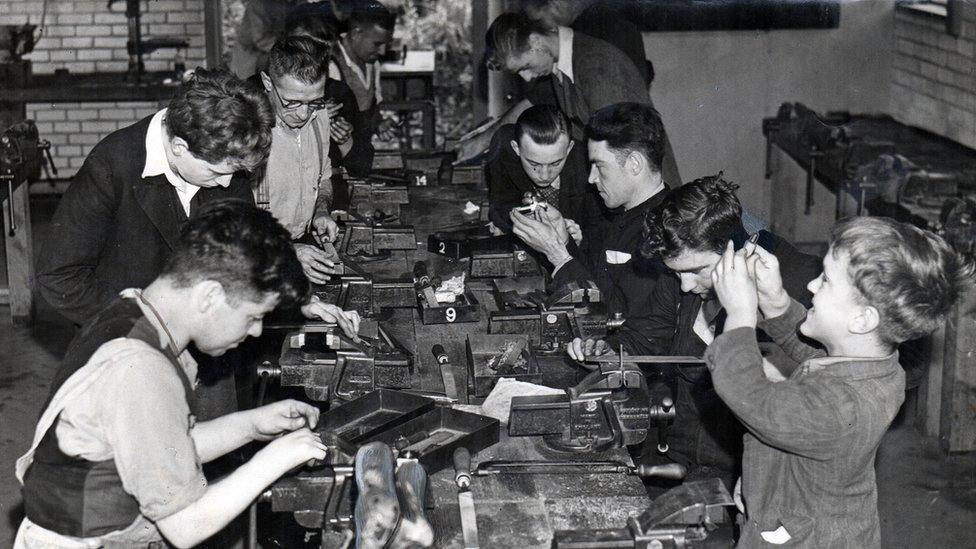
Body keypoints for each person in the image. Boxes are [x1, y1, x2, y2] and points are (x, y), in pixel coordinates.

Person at [36, 68, 359, 419]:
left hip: (209, 343)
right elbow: (59, 277)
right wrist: (150, 325)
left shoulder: (222, 157)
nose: (226, 185)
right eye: (218, 172)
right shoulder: (113, 165)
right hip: (128, 348)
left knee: (213, 454)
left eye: (235, 173)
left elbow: (245, 248)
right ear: (179, 147)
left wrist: (298, 299)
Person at [14, 200, 332, 548]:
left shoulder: (134, 312)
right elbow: (186, 526)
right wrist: (273, 460)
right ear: (210, 296)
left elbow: (163, 450)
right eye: (253, 316)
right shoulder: (141, 369)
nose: (256, 332)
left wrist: (251, 426)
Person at [707, 216, 971, 547]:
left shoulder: (845, 405)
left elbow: (754, 400)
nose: (812, 286)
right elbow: (819, 357)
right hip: (797, 509)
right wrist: (775, 301)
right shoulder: (873, 365)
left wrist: (740, 313)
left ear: (862, 319)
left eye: (826, 280)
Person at [567, 175, 821, 485]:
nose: (685, 285)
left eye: (695, 271)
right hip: (674, 451)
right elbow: (645, 335)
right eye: (677, 273)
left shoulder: (801, 287)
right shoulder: (684, 269)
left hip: (746, 468)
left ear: (740, 249)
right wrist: (608, 351)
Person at [459, 12, 680, 188]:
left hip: (647, 194)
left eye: (525, 67)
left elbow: (620, 150)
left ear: (536, 41)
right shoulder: (561, 67)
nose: (526, 77)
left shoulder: (596, 64)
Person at [510, 102, 668, 317]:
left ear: (634, 164)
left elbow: (616, 317)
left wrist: (557, 255)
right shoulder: (623, 214)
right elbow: (598, 284)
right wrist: (564, 242)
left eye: (599, 166)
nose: (592, 178)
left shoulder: (664, 229)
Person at [257, 36, 343, 285]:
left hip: (303, 250)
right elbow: (229, 222)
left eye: (313, 101)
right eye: (292, 102)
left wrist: (322, 211)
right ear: (267, 83)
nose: (304, 114)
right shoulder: (247, 132)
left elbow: (324, 177)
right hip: (257, 259)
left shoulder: (320, 117)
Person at [486, 104, 602, 237]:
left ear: (569, 148)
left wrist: (580, 241)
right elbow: (500, 207)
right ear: (516, 148)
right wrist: (529, 218)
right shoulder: (504, 149)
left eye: (555, 163)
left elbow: (600, 229)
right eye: (534, 164)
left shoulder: (588, 166)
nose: (544, 175)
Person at [327, 0, 398, 176]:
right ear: (356, 32)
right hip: (335, 165)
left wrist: (379, 124)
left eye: (386, 44)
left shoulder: (372, 64)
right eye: (377, 44)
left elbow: (372, 109)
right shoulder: (331, 65)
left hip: (361, 158)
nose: (382, 52)